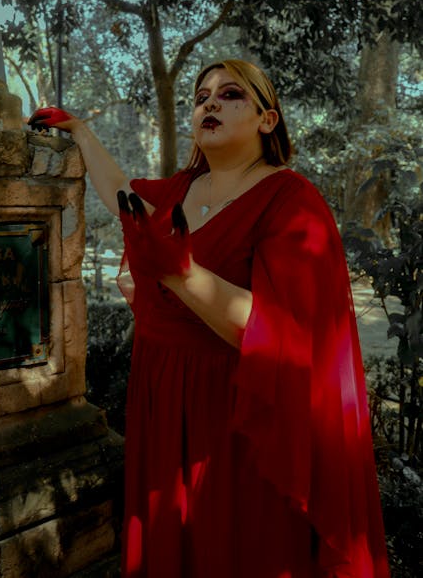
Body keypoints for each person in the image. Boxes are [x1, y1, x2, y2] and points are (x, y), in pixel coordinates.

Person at [29, 59, 390, 578]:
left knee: (232, 547)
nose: (210, 103)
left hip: (235, 411)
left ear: (268, 120)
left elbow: (277, 333)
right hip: (161, 395)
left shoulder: (292, 201)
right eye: (201, 97)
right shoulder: (181, 188)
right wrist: (82, 132)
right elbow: (119, 195)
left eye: (230, 94)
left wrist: (180, 274)